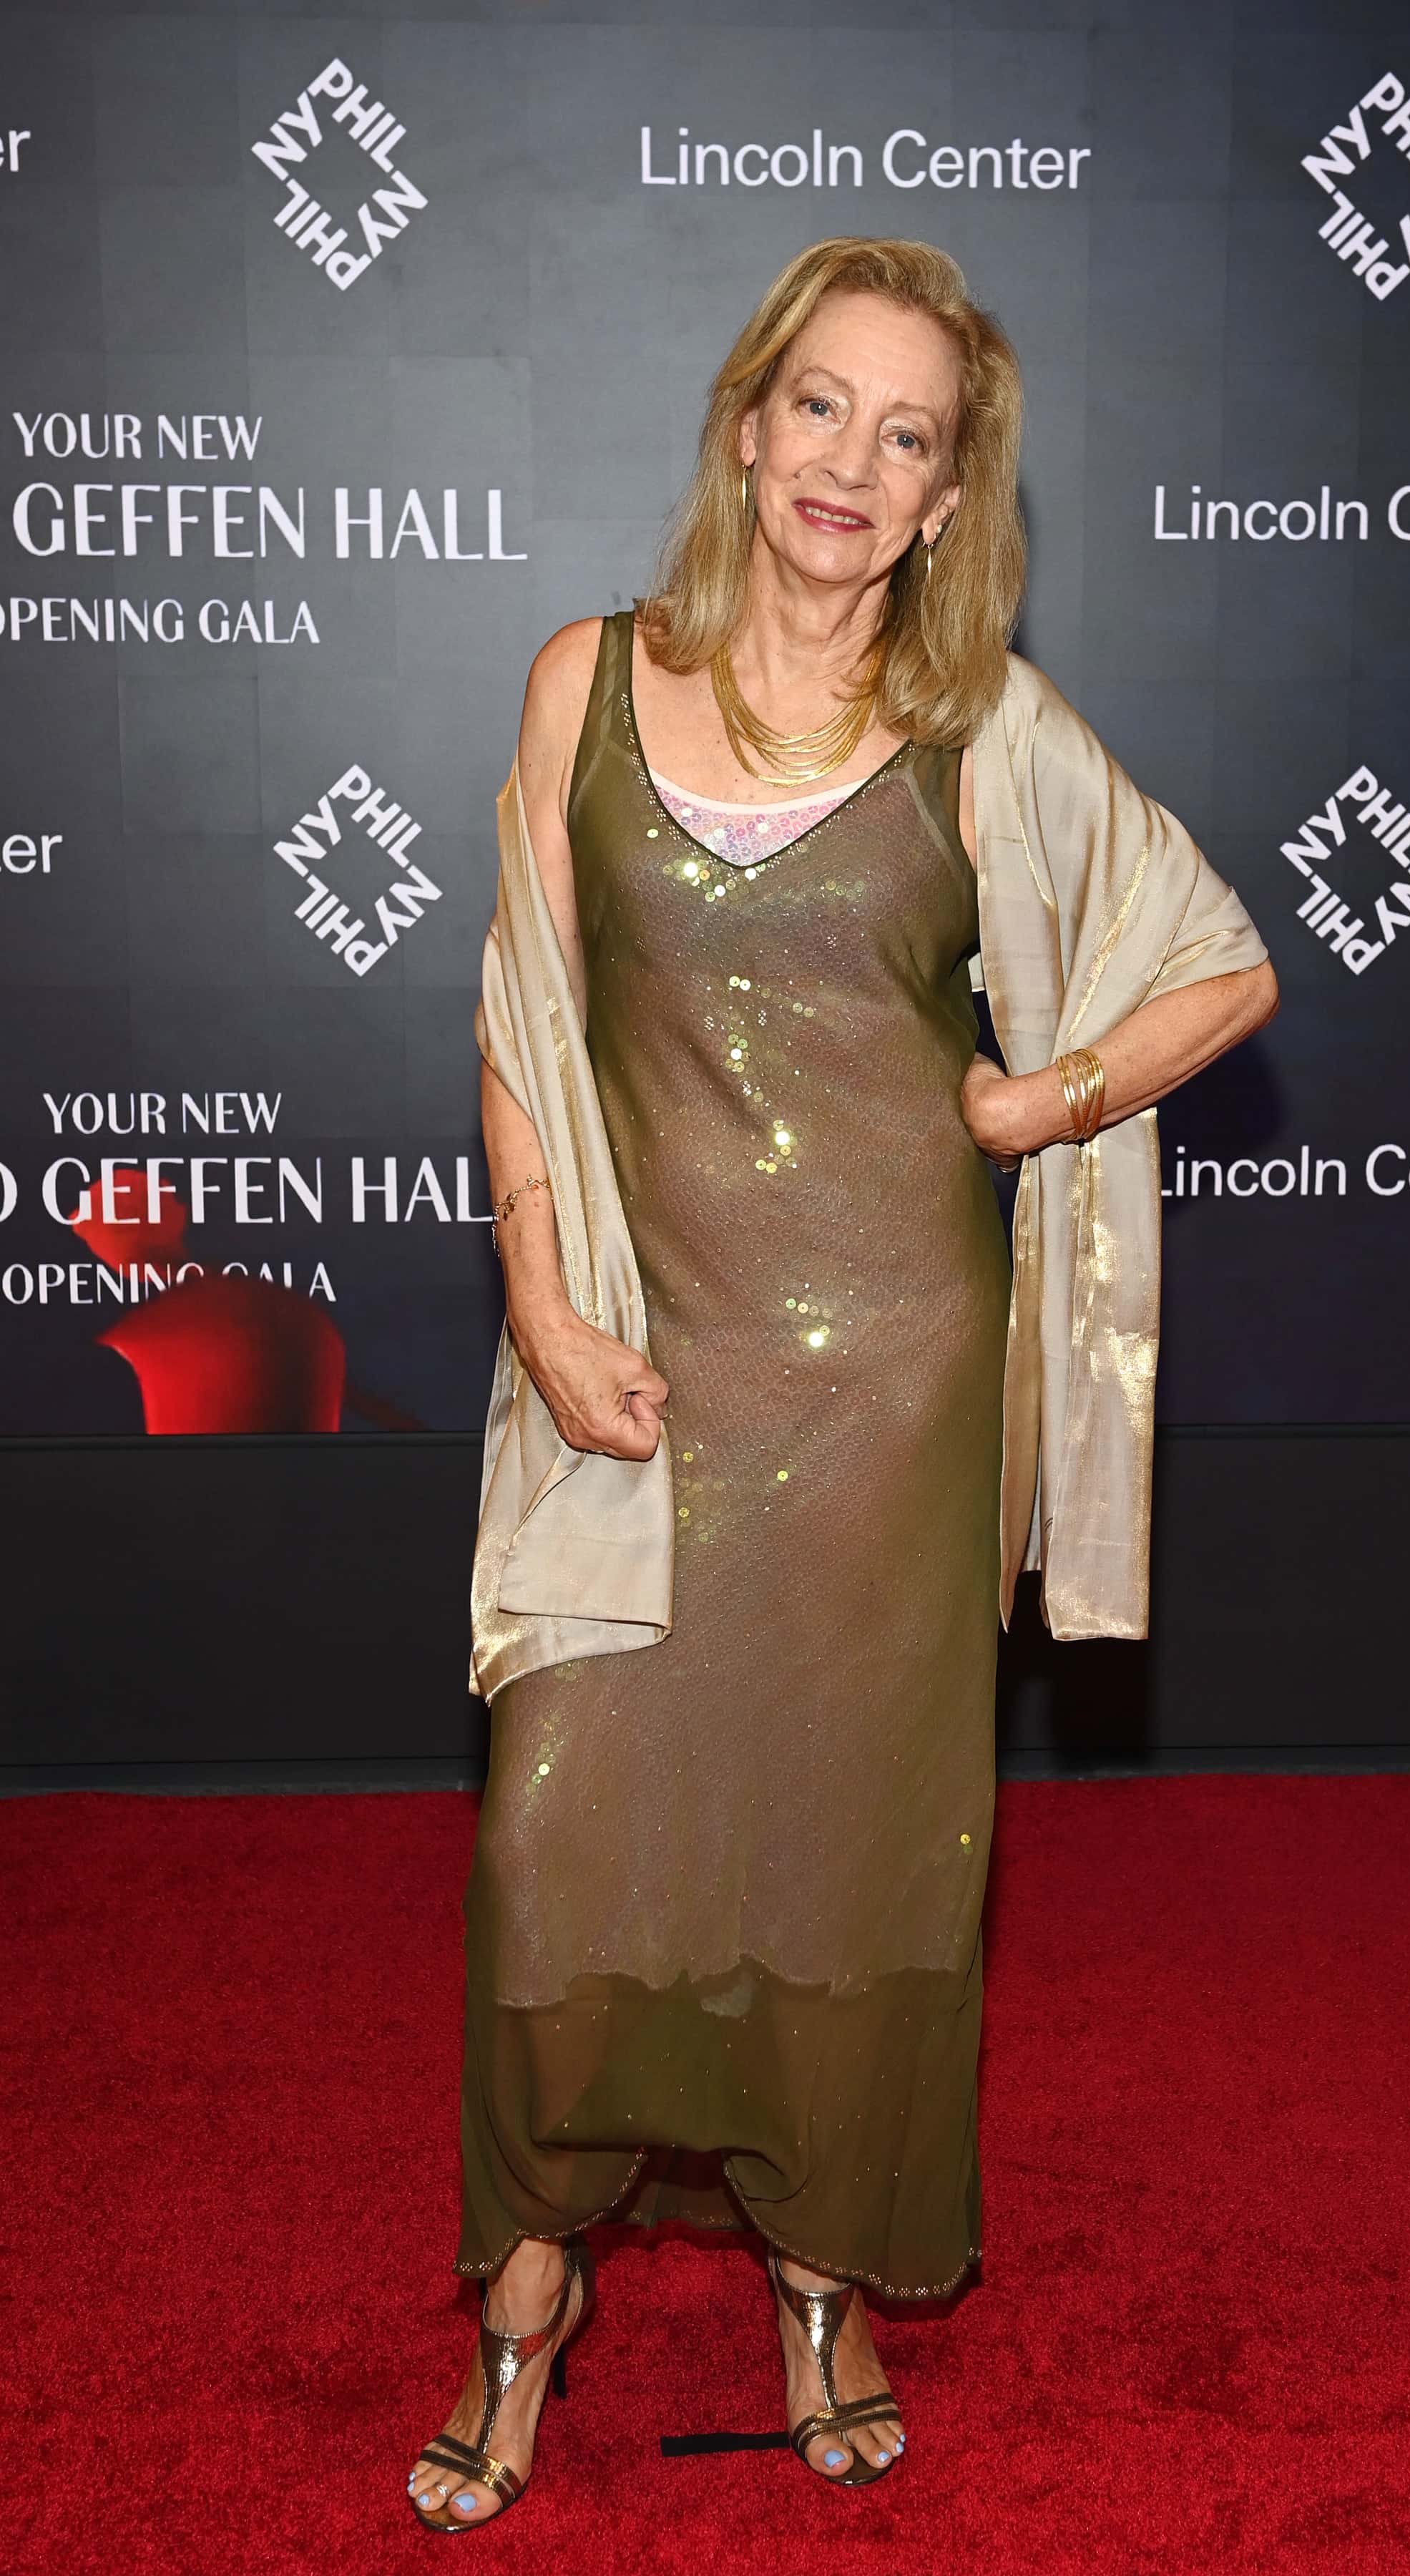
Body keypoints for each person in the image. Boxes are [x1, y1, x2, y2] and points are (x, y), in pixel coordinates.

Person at [408, 236, 1276, 2531]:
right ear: (746, 420)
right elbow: (520, 1012)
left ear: (946, 496)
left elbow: (1221, 958)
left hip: (894, 1400)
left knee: (855, 1859)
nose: (853, 464)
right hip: (638, 1383)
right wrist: (536, 1300)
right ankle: (525, 2296)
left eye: (911, 436)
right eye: (825, 407)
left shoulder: (984, 721)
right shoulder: (583, 680)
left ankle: (820, 2274)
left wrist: (1051, 1094)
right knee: (557, 1839)